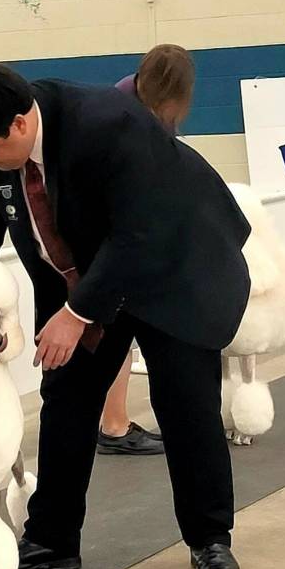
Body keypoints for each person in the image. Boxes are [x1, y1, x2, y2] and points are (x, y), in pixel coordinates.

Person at [0, 59, 250, 569]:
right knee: (66, 397)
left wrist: (78, 313)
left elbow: (140, 232)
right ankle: (52, 538)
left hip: (173, 266)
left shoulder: (110, 123)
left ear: (20, 123)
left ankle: (209, 539)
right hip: (86, 275)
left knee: (185, 403)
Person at [99, 44, 197, 456]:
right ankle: (113, 426)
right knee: (116, 334)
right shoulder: (122, 114)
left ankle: (114, 422)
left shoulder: (134, 102)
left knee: (119, 336)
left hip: (129, 237)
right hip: (117, 239)